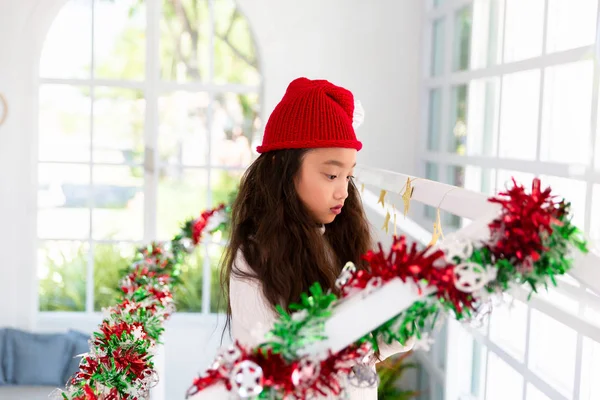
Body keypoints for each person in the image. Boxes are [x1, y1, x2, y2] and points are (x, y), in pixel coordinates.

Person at [221, 77, 412, 399]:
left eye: (349, 176)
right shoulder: (256, 258)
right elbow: (286, 368)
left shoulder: (336, 240)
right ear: (283, 167)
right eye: (331, 175)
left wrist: (405, 316)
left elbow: (360, 347)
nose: (343, 191)